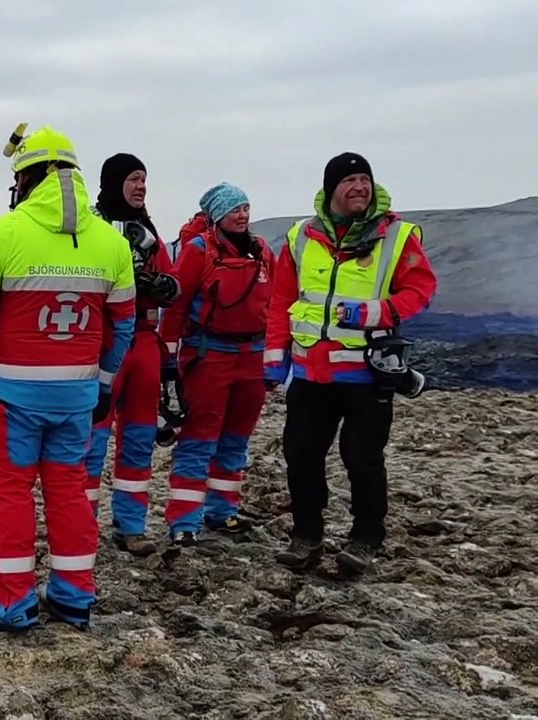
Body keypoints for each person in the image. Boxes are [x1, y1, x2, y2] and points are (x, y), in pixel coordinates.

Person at [0, 123, 137, 632]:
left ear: (26, 178)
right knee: (70, 493)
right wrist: (101, 383)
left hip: (10, 402)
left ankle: (14, 608)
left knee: (8, 497)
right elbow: (124, 327)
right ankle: (75, 600)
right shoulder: (111, 244)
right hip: (76, 400)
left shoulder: (3, 233)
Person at [265, 152, 437, 574]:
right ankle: (306, 535)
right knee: (301, 455)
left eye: (365, 179)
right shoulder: (300, 238)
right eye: (350, 181)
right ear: (331, 190)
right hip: (311, 373)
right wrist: (274, 360)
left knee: (361, 458)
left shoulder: (396, 236)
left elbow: (420, 289)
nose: (359, 187)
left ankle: (365, 539)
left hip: (368, 373)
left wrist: (376, 312)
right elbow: (280, 302)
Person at [159, 183, 274, 550]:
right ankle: (184, 519)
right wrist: (169, 357)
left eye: (245, 207)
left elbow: (276, 303)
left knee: (236, 438)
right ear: (215, 216)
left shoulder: (263, 251)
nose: (242, 214)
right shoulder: (198, 252)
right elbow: (176, 307)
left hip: (252, 356)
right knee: (199, 437)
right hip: (209, 354)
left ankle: (223, 509)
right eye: (233, 209)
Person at [84, 153, 180, 557]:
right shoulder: (90, 229)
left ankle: (130, 525)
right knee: (92, 440)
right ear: (113, 183)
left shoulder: (149, 235)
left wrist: (155, 283)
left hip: (142, 343)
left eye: (144, 180)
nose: (141, 187)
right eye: (133, 180)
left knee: (139, 438)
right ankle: (81, 525)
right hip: (103, 342)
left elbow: (174, 287)